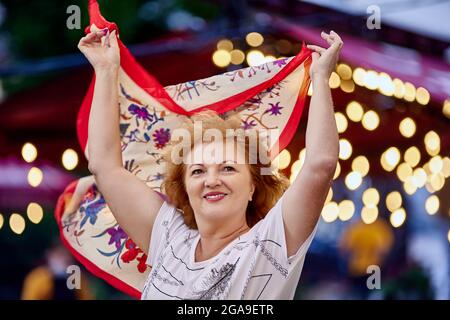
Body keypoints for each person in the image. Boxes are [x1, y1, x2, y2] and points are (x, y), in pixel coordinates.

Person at [77, 25, 341, 299]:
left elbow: (320, 165)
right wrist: (106, 71)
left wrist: (320, 79)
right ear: (184, 189)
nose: (211, 180)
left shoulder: (270, 244)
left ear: (253, 186)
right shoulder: (169, 237)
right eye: (198, 171)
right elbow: (104, 165)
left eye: (228, 168)